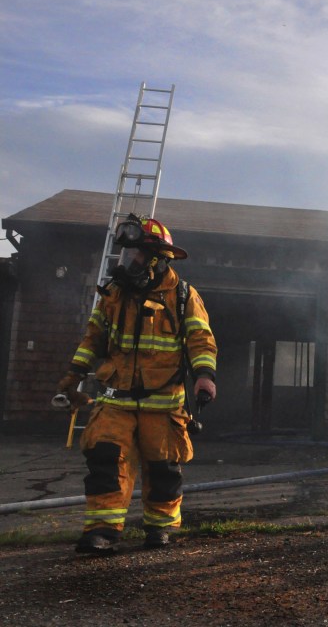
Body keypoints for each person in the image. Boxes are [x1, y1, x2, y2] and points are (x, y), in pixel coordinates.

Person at [55, 214, 217, 554]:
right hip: (115, 399)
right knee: (105, 460)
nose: (127, 261)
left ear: (156, 259)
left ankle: (159, 528)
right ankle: (101, 530)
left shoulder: (183, 296)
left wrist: (204, 376)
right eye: (126, 254)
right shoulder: (114, 294)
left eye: (135, 254)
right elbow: (93, 339)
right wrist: (74, 375)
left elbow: (200, 339)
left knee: (163, 468)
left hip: (164, 403)